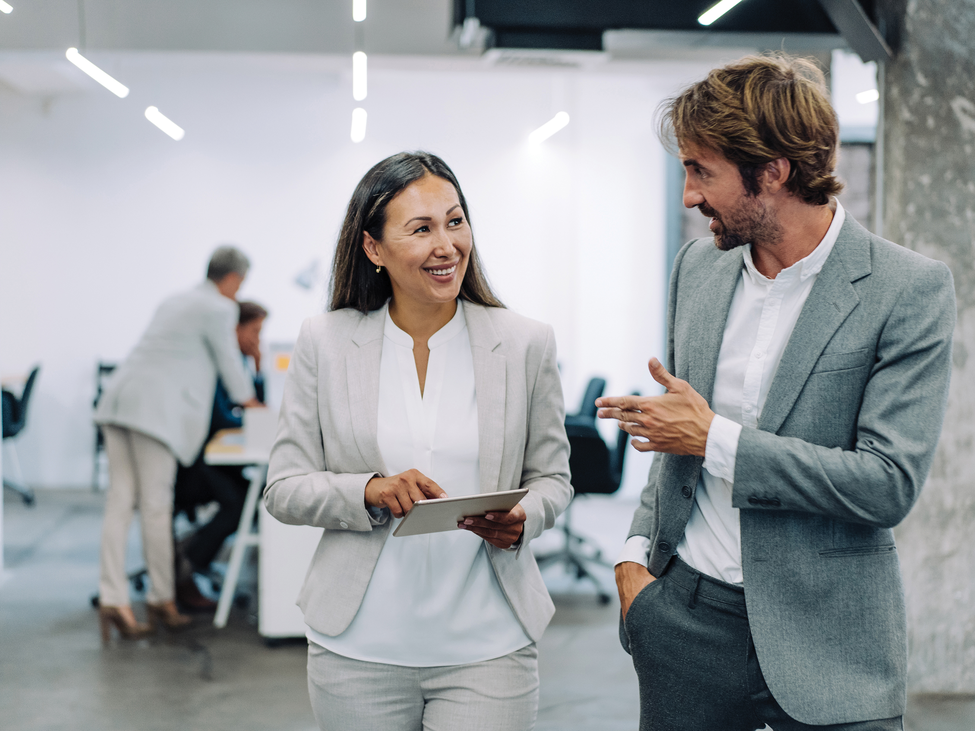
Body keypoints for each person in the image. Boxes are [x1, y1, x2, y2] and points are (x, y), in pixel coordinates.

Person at [597, 55, 955, 731]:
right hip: (687, 622)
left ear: (772, 172)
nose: (687, 195)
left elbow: (886, 483)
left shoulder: (905, 291)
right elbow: (674, 428)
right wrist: (632, 561)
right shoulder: (697, 267)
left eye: (700, 170)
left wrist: (716, 439)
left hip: (833, 637)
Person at [264, 151, 572, 731]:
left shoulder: (526, 343)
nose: (446, 245)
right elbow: (284, 488)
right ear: (373, 248)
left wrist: (524, 515)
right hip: (358, 647)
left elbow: (553, 479)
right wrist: (371, 491)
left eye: (456, 221)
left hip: (489, 644)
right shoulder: (325, 342)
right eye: (422, 228)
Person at [94, 246, 262, 640]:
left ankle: (113, 598)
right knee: (156, 505)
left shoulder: (176, 299)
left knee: (120, 502)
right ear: (234, 279)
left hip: (119, 399)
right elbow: (228, 363)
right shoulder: (219, 308)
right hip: (155, 413)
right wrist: (253, 403)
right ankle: (161, 598)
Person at [173, 301, 270, 611]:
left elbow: (252, 404)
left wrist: (257, 368)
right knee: (240, 501)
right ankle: (186, 566)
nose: (257, 339)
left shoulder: (238, 364)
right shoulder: (216, 366)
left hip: (207, 459)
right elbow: (221, 418)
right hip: (192, 463)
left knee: (251, 497)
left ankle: (192, 554)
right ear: (235, 330)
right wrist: (253, 418)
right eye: (254, 331)